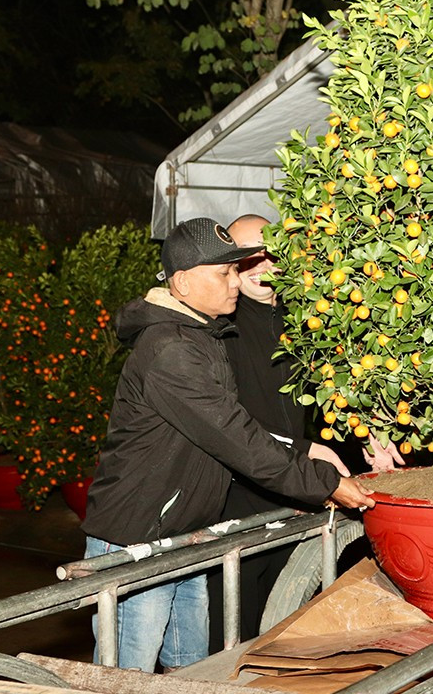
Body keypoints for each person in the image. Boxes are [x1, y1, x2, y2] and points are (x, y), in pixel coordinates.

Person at [81, 217, 374, 673]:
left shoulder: (203, 334)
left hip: (184, 534)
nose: (236, 281)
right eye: (224, 272)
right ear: (182, 282)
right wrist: (323, 483)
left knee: (192, 670)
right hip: (138, 537)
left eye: (235, 270)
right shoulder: (171, 350)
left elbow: (236, 430)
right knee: (126, 678)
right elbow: (238, 438)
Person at [205, 214, 355, 652]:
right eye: (245, 259)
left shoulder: (305, 318)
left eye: (269, 254)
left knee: (286, 629)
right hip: (235, 497)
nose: (260, 267)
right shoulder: (221, 327)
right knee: (231, 634)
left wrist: (370, 437)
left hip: (295, 495)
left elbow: (334, 392)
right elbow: (231, 423)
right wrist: (306, 451)